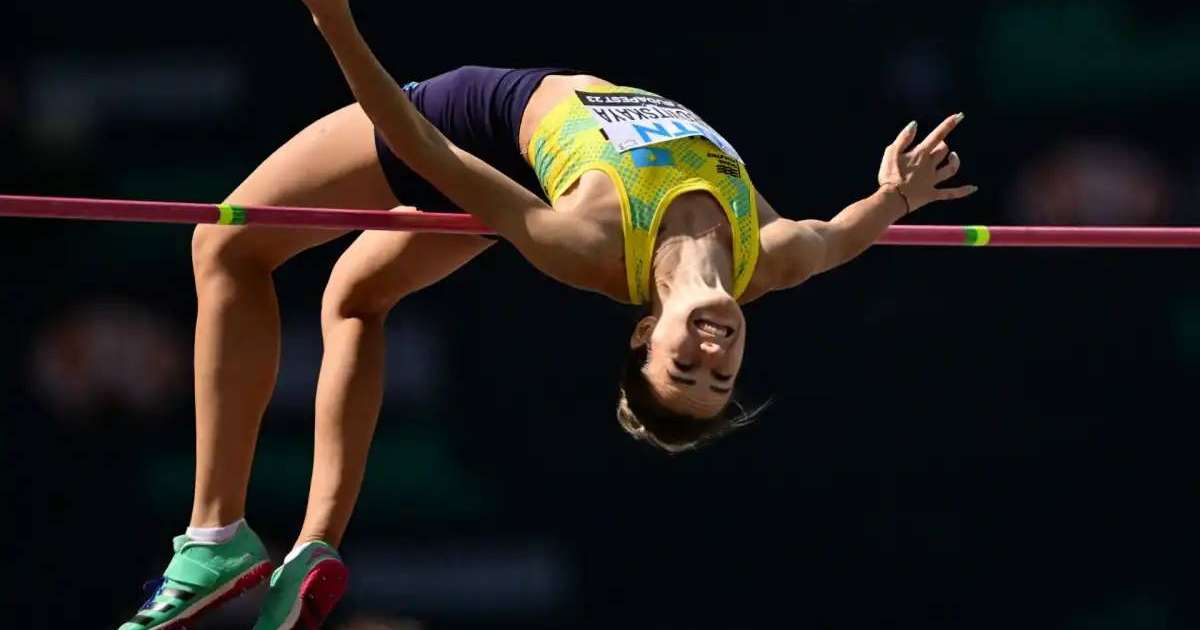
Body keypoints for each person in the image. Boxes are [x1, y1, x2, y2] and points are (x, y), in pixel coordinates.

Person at [119, 1, 977, 628]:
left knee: (222, 246)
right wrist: (894, 197)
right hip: (533, 166)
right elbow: (838, 237)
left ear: (645, 335)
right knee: (355, 297)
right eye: (721, 377)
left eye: (684, 369)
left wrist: (335, 25)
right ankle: (314, 546)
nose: (711, 355)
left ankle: (213, 530)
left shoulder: (590, 245)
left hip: (470, 118)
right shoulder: (771, 258)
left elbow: (430, 153)